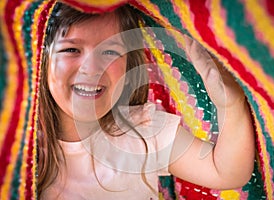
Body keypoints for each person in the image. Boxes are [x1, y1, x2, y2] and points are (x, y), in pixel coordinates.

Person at [38, 2, 255, 199]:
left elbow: (226, 172)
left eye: (110, 52)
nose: (92, 69)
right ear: (41, 60)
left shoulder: (142, 130)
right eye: (71, 50)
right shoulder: (19, 148)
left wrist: (230, 103)